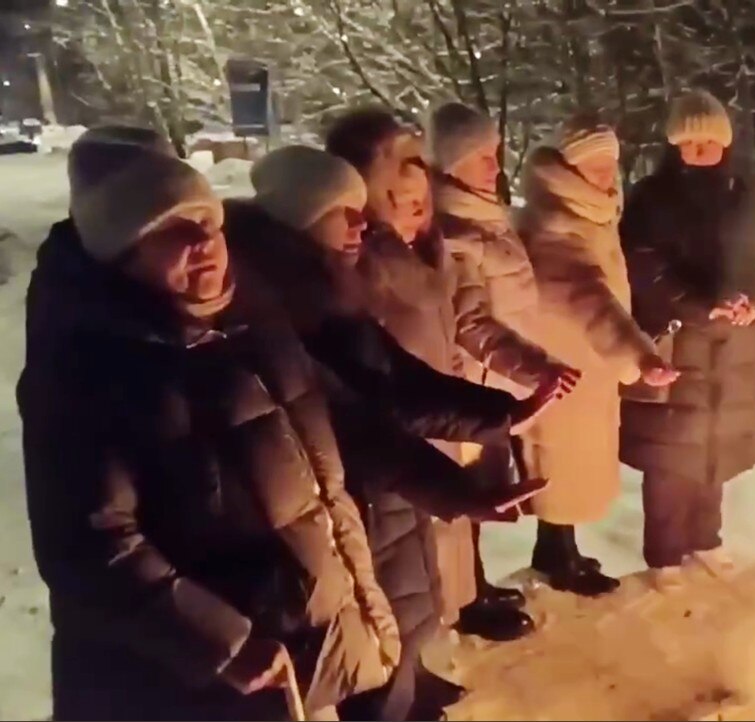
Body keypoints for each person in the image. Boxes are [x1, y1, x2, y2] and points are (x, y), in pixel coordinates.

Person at [20, 128, 398, 720]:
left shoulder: (249, 319)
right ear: (122, 253)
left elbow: (334, 421)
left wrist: (456, 484)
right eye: (172, 229)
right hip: (179, 687)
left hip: (289, 659)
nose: (205, 240)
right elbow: (90, 546)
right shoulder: (82, 365)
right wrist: (221, 645)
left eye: (210, 221)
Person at [230, 143, 548, 719]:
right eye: (342, 212)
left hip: (389, 498)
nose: (361, 224)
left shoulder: (330, 289)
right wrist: (456, 488)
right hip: (351, 511)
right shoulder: (280, 310)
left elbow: (397, 379)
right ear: (300, 218)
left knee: (398, 635)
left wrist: (500, 413)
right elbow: (352, 423)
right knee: (375, 658)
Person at [327, 108, 565, 635]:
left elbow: (471, 319)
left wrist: (534, 369)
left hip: (444, 407)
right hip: (396, 420)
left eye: (421, 201)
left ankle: (448, 614)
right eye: (402, 200)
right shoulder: (357, 264)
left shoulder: (437, 251)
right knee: (398, 548)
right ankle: (412, 647)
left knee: (443, 534)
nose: (416, 210)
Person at [429, 102, 600, 598]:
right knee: (471, 493)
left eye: (496, 154)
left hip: (502, 378)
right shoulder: (457, 232)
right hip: (475, 380)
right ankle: (468, 591)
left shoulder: (485, 218)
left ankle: (475, 584)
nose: (496, 166)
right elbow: (472, 323)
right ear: (453, 161)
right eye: (484, 155)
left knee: (490, 485)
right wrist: (534, 367)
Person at [620, 89, 755, 589]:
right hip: (679, 337)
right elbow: (644, 267)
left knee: (715, 443)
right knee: (672, 452)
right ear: (674, 146)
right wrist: (697, 304)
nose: (700, 149)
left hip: (734, 344)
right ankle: (665, 551)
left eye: (709, 140)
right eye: (689, 142)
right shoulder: (650, 197)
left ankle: (706, 537)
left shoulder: (747, 194)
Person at [515, 114, 680, 594]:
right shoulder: (557, 223)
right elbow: (586, 296)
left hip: (586, 359)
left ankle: (558, 546)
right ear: (570, 169)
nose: (607, 174)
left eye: (611, 163)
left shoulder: (590, 210)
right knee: (564, 457)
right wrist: (638, 353)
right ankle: (556, 554)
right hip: (565, 359)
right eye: (595, 165)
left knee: (576, 456)